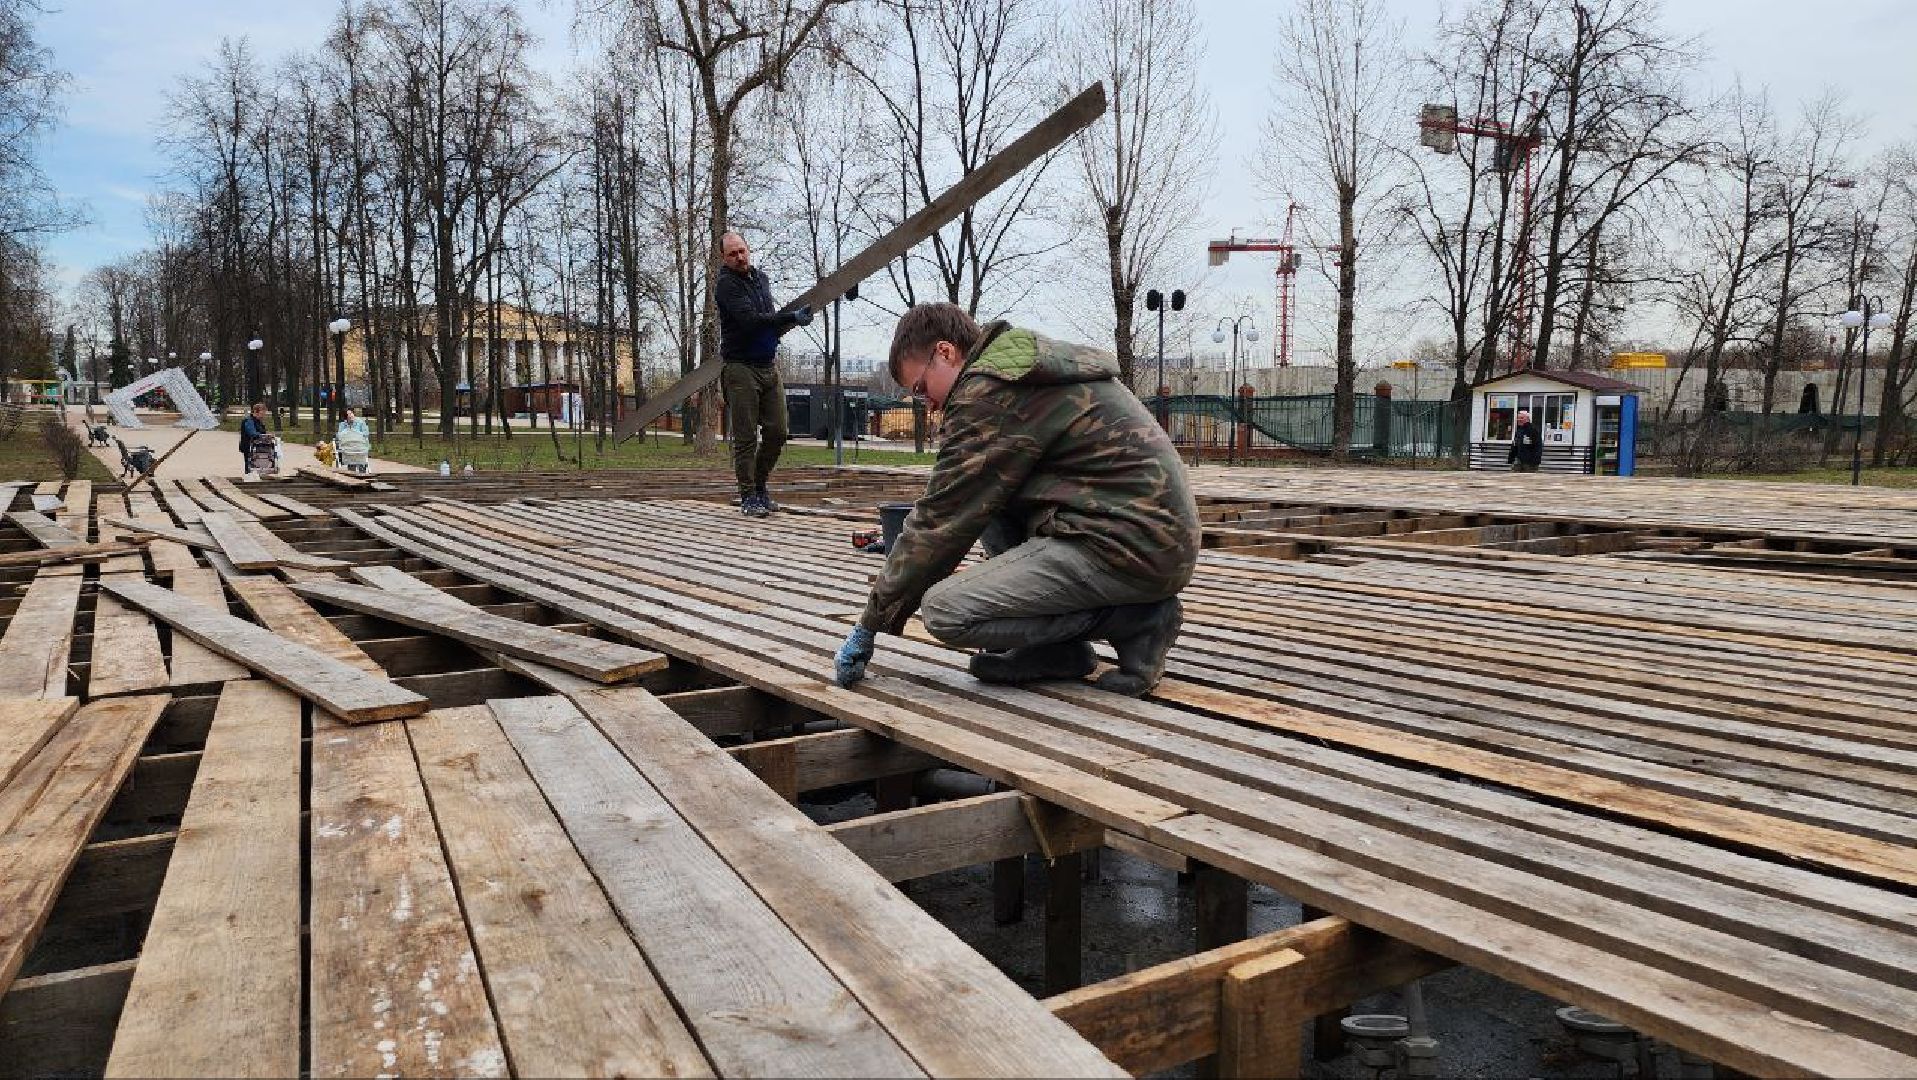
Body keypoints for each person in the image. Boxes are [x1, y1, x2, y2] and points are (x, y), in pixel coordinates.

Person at [833, 304, 1200, 697]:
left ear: (945, 352)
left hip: (1128, 546)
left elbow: (938, 520)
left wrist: (870, 622)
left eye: (922, 388)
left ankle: (1138, 620)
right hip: (1142, 535)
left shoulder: (990, 392)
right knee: (988, 499)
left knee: (945, 611)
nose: (929, 405)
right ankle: (1056, 652)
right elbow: (962, 506)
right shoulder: (1021, 368)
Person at [715, 231, 812, 517]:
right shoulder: (726, 286)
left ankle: (759, 485)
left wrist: (784, 324)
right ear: (724, 258)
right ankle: (748, 496)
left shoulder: (761, 279)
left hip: (768, 365)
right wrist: (791, 318)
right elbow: (751, 322)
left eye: (742, 251)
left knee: (778, 431)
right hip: (740, 367)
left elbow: (768, 317)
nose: (739, 257)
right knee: (746, 437)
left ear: (748, 250)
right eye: (732, 254)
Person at [239, 402, 270, 475]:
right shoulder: (249, 421)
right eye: (262, 413)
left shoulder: (258, 421)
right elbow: (252, 433)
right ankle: (249, 479)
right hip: (249, 447)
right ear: (256, 412)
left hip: (257, 447)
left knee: (258, 466)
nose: (264, 415)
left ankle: (255, 478)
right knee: (250, 467)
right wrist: (264, 436)